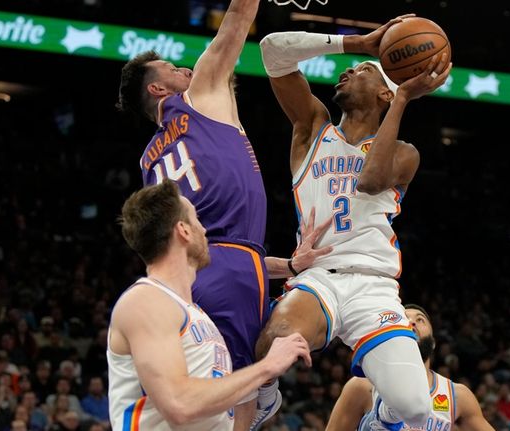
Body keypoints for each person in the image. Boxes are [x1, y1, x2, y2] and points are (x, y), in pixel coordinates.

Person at [116, 0, 331, 426]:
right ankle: (261, 392)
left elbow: (207, 246)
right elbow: (237, 18)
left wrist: (287, 265)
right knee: (241, 394)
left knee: (215, 388)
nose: (184, 69)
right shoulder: (197, 97)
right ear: (158, 90)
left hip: (194, 276)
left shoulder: (148, 161)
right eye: (172, 68)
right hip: (231, 269)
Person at [253, 15, 451, 430]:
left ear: (383, 92)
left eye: (362, 71)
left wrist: (402, 100)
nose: (346, 73)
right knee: (272, 345)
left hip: (374, 285)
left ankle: (383, 415)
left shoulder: (405, 153)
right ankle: (265, 399)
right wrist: (357, 46)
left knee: (416, 408)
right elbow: (272, 49)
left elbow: (370, 180)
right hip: (319, 275)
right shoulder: (312, 128)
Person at [108, 180, 312, 430]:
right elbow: (179, 404)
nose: (204, 231)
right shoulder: (146, 302)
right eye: (197, 221)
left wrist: (290, 266)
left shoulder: (196, 315)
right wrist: (267, 367)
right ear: (183, 231)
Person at [326, 304, 493, 431]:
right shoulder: (363, 386)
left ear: (433, 343)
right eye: (404, 318)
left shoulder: (457, 395)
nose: (412, 322)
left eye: (420, 320)